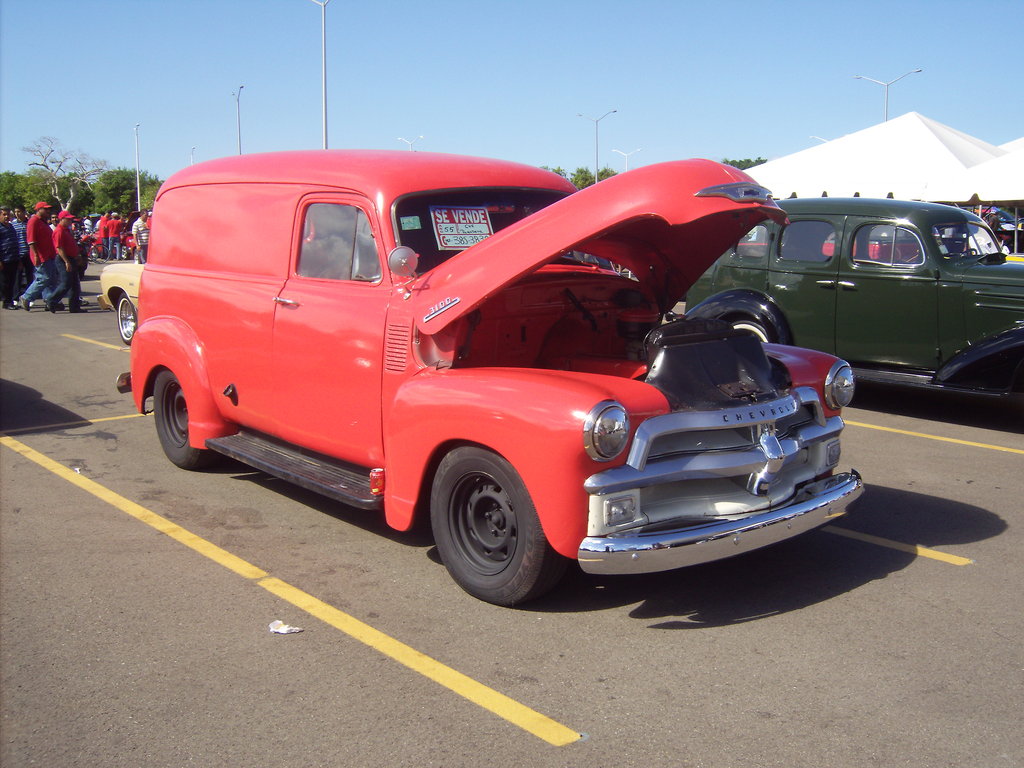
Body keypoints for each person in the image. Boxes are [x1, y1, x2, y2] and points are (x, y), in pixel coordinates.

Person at [19, 202, 62, 311]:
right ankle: (26, 297)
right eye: (45, 209)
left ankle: (50, 300)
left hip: (49, 255)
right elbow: (31, 240)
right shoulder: (33, 221)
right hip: (41, 256)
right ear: (39, 209)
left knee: (51, 279)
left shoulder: (42, 221)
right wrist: (36, 255)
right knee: (43, 278)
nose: (48, 211)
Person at [51, 210, 84, 312]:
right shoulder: (59, 231)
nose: (70, 221)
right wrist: (66, 261)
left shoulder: (66, 230)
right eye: (68, 219)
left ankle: (74, 307)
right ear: (62, 219)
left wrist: (77, 255)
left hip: (71, 258)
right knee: (66, 283)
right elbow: (59, 248)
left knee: (74, 284)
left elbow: (72, 244)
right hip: (63, 259)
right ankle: (51, 301)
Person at [0, 207, 20, 309]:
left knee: (12, 281)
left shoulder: (11, 227)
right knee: (5, 282)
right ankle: (6, 302)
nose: (7, 216)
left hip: (14, 258)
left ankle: (10, 301)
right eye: (4, 214)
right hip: (4, 260)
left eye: (8, 214)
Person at [11, 205, 33, 294]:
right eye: (15, 212)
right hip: (18, 253)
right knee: (18, 276)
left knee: (29, 275)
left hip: (29, 253)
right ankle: (16, 297)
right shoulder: (13, 224)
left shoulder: (29, 223)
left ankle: (29, 296)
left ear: (24, 212)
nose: (17, 214)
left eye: (19, 211)